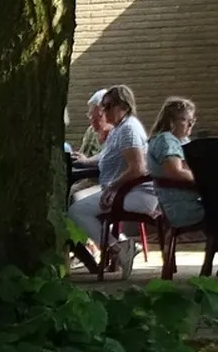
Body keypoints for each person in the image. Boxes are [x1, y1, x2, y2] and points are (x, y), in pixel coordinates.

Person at [67, 84, 157, 274]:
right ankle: (121, 249)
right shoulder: (118, 129)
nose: (103, 111)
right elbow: (105, 156)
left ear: (123, 106)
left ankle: (120, 249)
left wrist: (112, 187)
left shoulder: (128, 130)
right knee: (79, 203)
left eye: (108, 106)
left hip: (137, 194)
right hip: (124, 190)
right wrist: (85, 161)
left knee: (76, 210)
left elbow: (138, 169)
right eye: (103, 106)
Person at [145, 97, 204, 232]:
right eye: (184, 119)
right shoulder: (167, 140)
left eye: (192, 120)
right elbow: (175, 171)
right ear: (171, 121)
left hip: (189, 203)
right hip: (184, 207)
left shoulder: (180, 140)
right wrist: (205, 179)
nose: (190, 124)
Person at [74, 90, 110, 157]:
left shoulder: (116, 132)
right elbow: (82, 153)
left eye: (92, 115)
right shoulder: (91, 131)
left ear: (102, 111)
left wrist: (87, 161)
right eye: (89, 114)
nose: (90, 118)